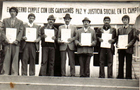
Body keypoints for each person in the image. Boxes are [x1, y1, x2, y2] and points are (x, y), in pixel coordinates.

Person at [2, 7, 23, 75]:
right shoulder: (5, 20)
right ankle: (5, 72)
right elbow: (2, 30)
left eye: (14, 11)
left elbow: (21, 31)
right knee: (6, 57)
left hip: (15, 43)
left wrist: (17, 40)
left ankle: (14, 73)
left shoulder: (20, 22)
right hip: (7, 42)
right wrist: (5, 39)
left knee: (15, 58)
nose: (12, 13)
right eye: (11, 11)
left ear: (16, 13)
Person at [117, 15, 138, 79]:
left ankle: (128, 76)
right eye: (124, 20)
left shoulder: (132, 29)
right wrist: (117, 44)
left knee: (128, 63)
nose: (125, 21)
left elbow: (134, 39)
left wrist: (129, 44)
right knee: (121, 62)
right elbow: (117, 38)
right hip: (121, 48)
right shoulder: (119, 29)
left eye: (126, 20)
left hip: (129, 48)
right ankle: (120, 76)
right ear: (122, 21)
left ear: (128, 21)